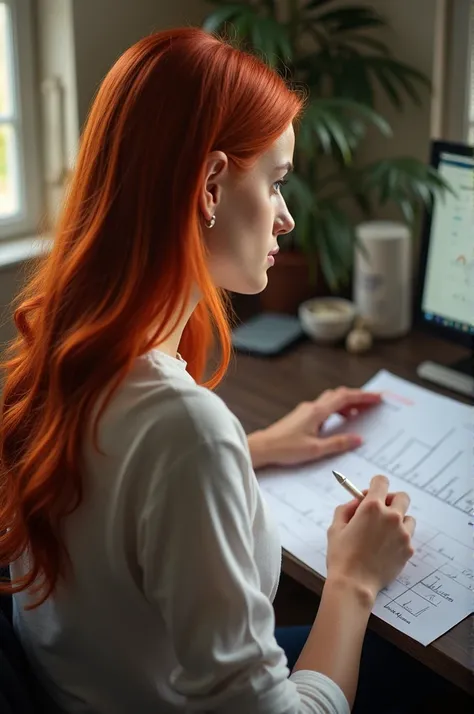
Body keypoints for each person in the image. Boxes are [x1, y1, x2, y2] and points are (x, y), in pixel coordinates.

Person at [0, 27, 428, 714]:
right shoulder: (185, 433)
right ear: (210, 185)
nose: (286, 218)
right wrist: (353, 578)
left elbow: (119, 497)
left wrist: (255, 450)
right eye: (277, 181)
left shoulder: (65, 348)